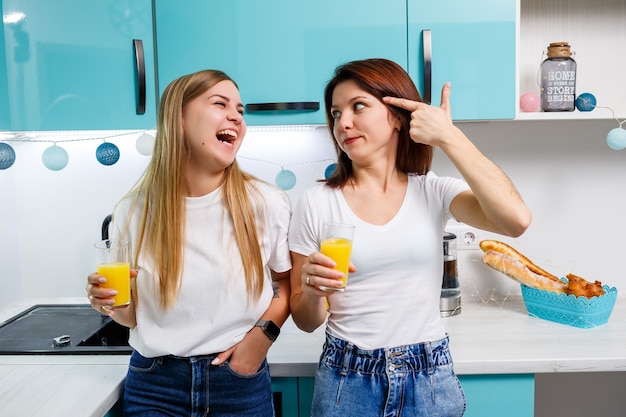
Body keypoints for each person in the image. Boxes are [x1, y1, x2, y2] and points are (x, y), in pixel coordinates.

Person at [288, 58, 531, 417]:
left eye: (358, 107)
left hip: (429, 376)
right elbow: (306, 320)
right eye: (336, 113)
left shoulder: (434, 191)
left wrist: (449, 135)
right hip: (346, 378)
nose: (344, 123)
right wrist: (311, 293)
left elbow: (516, 221)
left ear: (398, 116)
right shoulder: (316, 202)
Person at [85, 69, 292, 416]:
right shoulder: (132, 211)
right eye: (220, 103)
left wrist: (260, 340)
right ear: (179, 118)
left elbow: (286, 284)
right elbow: (131, 317)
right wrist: (110, 302)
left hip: (238, 382)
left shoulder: (265, 202)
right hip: (155, 386)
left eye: (240, 110)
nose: (236, 117)